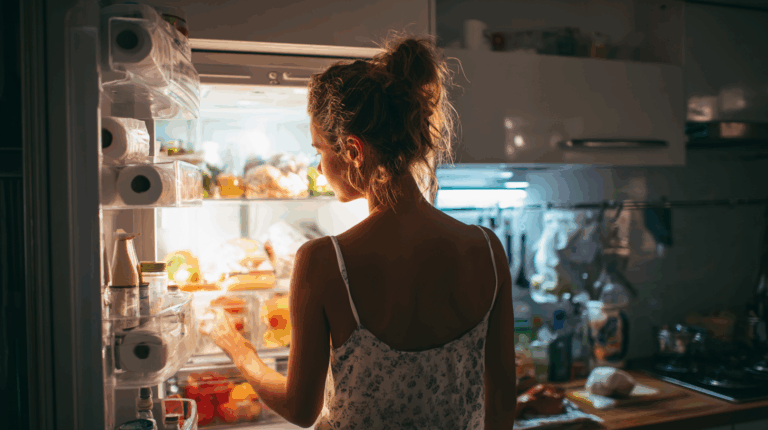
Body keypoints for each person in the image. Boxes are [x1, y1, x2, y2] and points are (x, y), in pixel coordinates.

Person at [201, 36, 517, 429]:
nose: (319, 168)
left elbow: (301, 409)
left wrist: (238, 346)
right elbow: (502, 407)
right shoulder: (486, 249)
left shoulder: (324, 261)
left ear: (353, 150)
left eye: (320, 151)